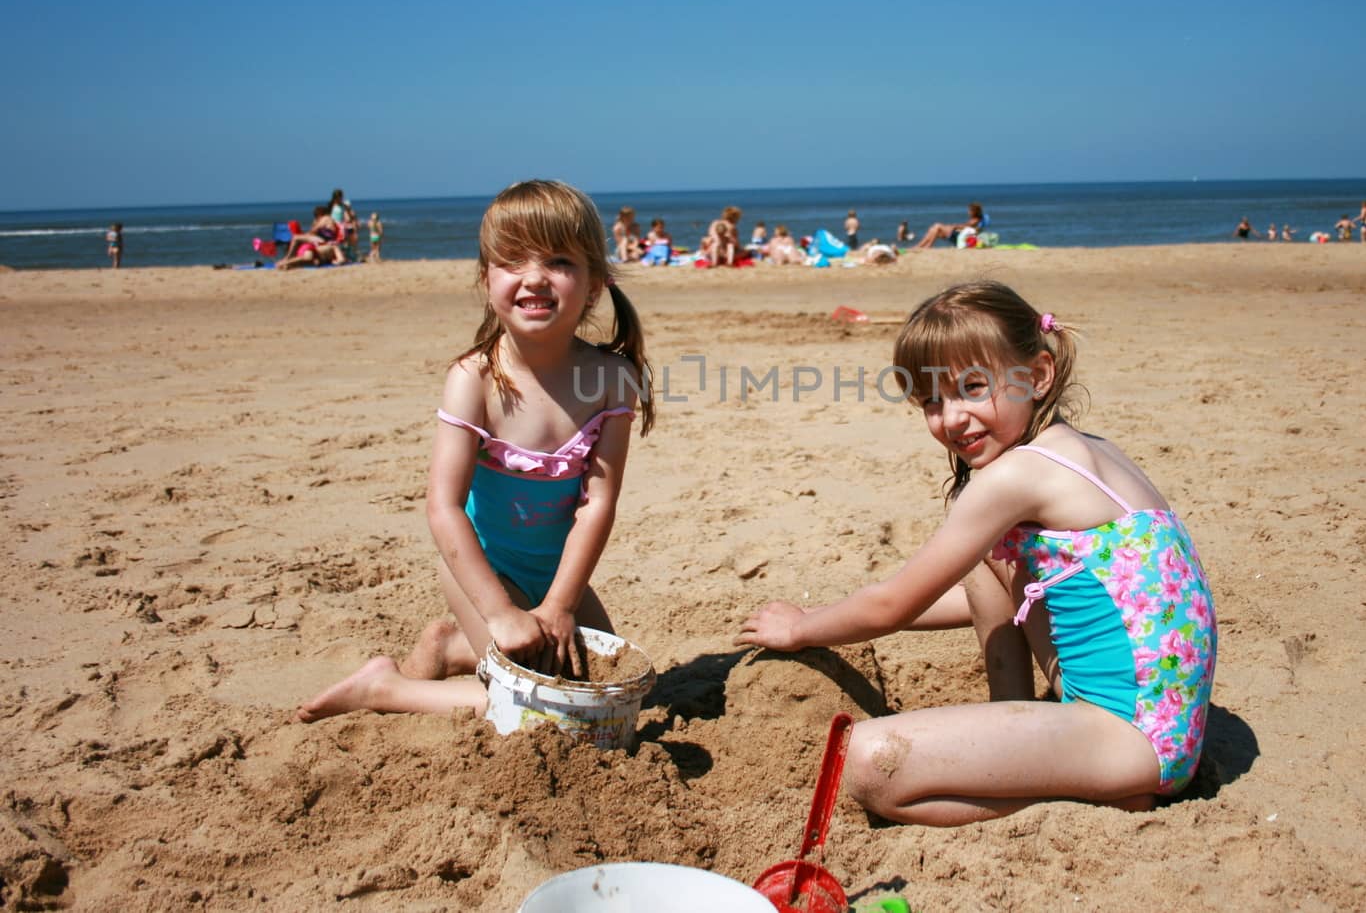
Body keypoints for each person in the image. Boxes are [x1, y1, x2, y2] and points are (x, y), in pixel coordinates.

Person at [738, 281, 1217, 826]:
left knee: (870, 763)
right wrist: (835, 617)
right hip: (1164, 728)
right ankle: (1011, 715)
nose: (951, 418)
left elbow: (891, 605)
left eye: (971, 387)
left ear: (1038, 375)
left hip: (1129, 738)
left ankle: (1088, 797)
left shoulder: (1016, 475)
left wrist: (801, 628)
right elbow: (998, 596)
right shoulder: (1089, 450)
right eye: (931, 401)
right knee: (992, 557)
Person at [297, 179, 654, 721]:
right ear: (486, 279)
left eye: (559, 261)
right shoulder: (475, 378)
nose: (534, 276)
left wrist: (559, 602)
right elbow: (443, 507)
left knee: (608, 689)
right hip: (485, 570)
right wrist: (499, 610)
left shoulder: (612, 379)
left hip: (558, 574)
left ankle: (450, 649)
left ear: (596, 284)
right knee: (539, 711)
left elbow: (597, 504)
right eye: (512, 260)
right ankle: (384, 688)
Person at [915, 203, 986, 249]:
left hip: (958, 236)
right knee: (933, 230)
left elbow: (967, 228)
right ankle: (921, 246)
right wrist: (956, 226)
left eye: (970, 211)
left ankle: (925, 246)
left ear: (974, 211)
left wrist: (956, 226)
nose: (968, 212)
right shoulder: (975, 220)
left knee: (937, 226)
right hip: (957, 234)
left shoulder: (975, 220)